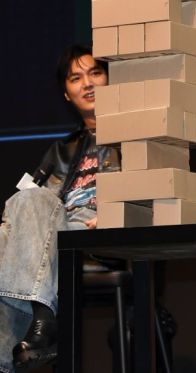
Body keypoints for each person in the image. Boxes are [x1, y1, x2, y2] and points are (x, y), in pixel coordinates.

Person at [0, 45, 120, 371]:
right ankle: (40, 327)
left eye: (95, 73)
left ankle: (44, 322)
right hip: (55, 231)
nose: (87, 83)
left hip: (97, 232)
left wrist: (118, 213)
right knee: (22, 207)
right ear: (67, 94)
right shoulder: (61, 149)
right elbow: (27, 203)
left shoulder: (139, 135)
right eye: (75, 78)